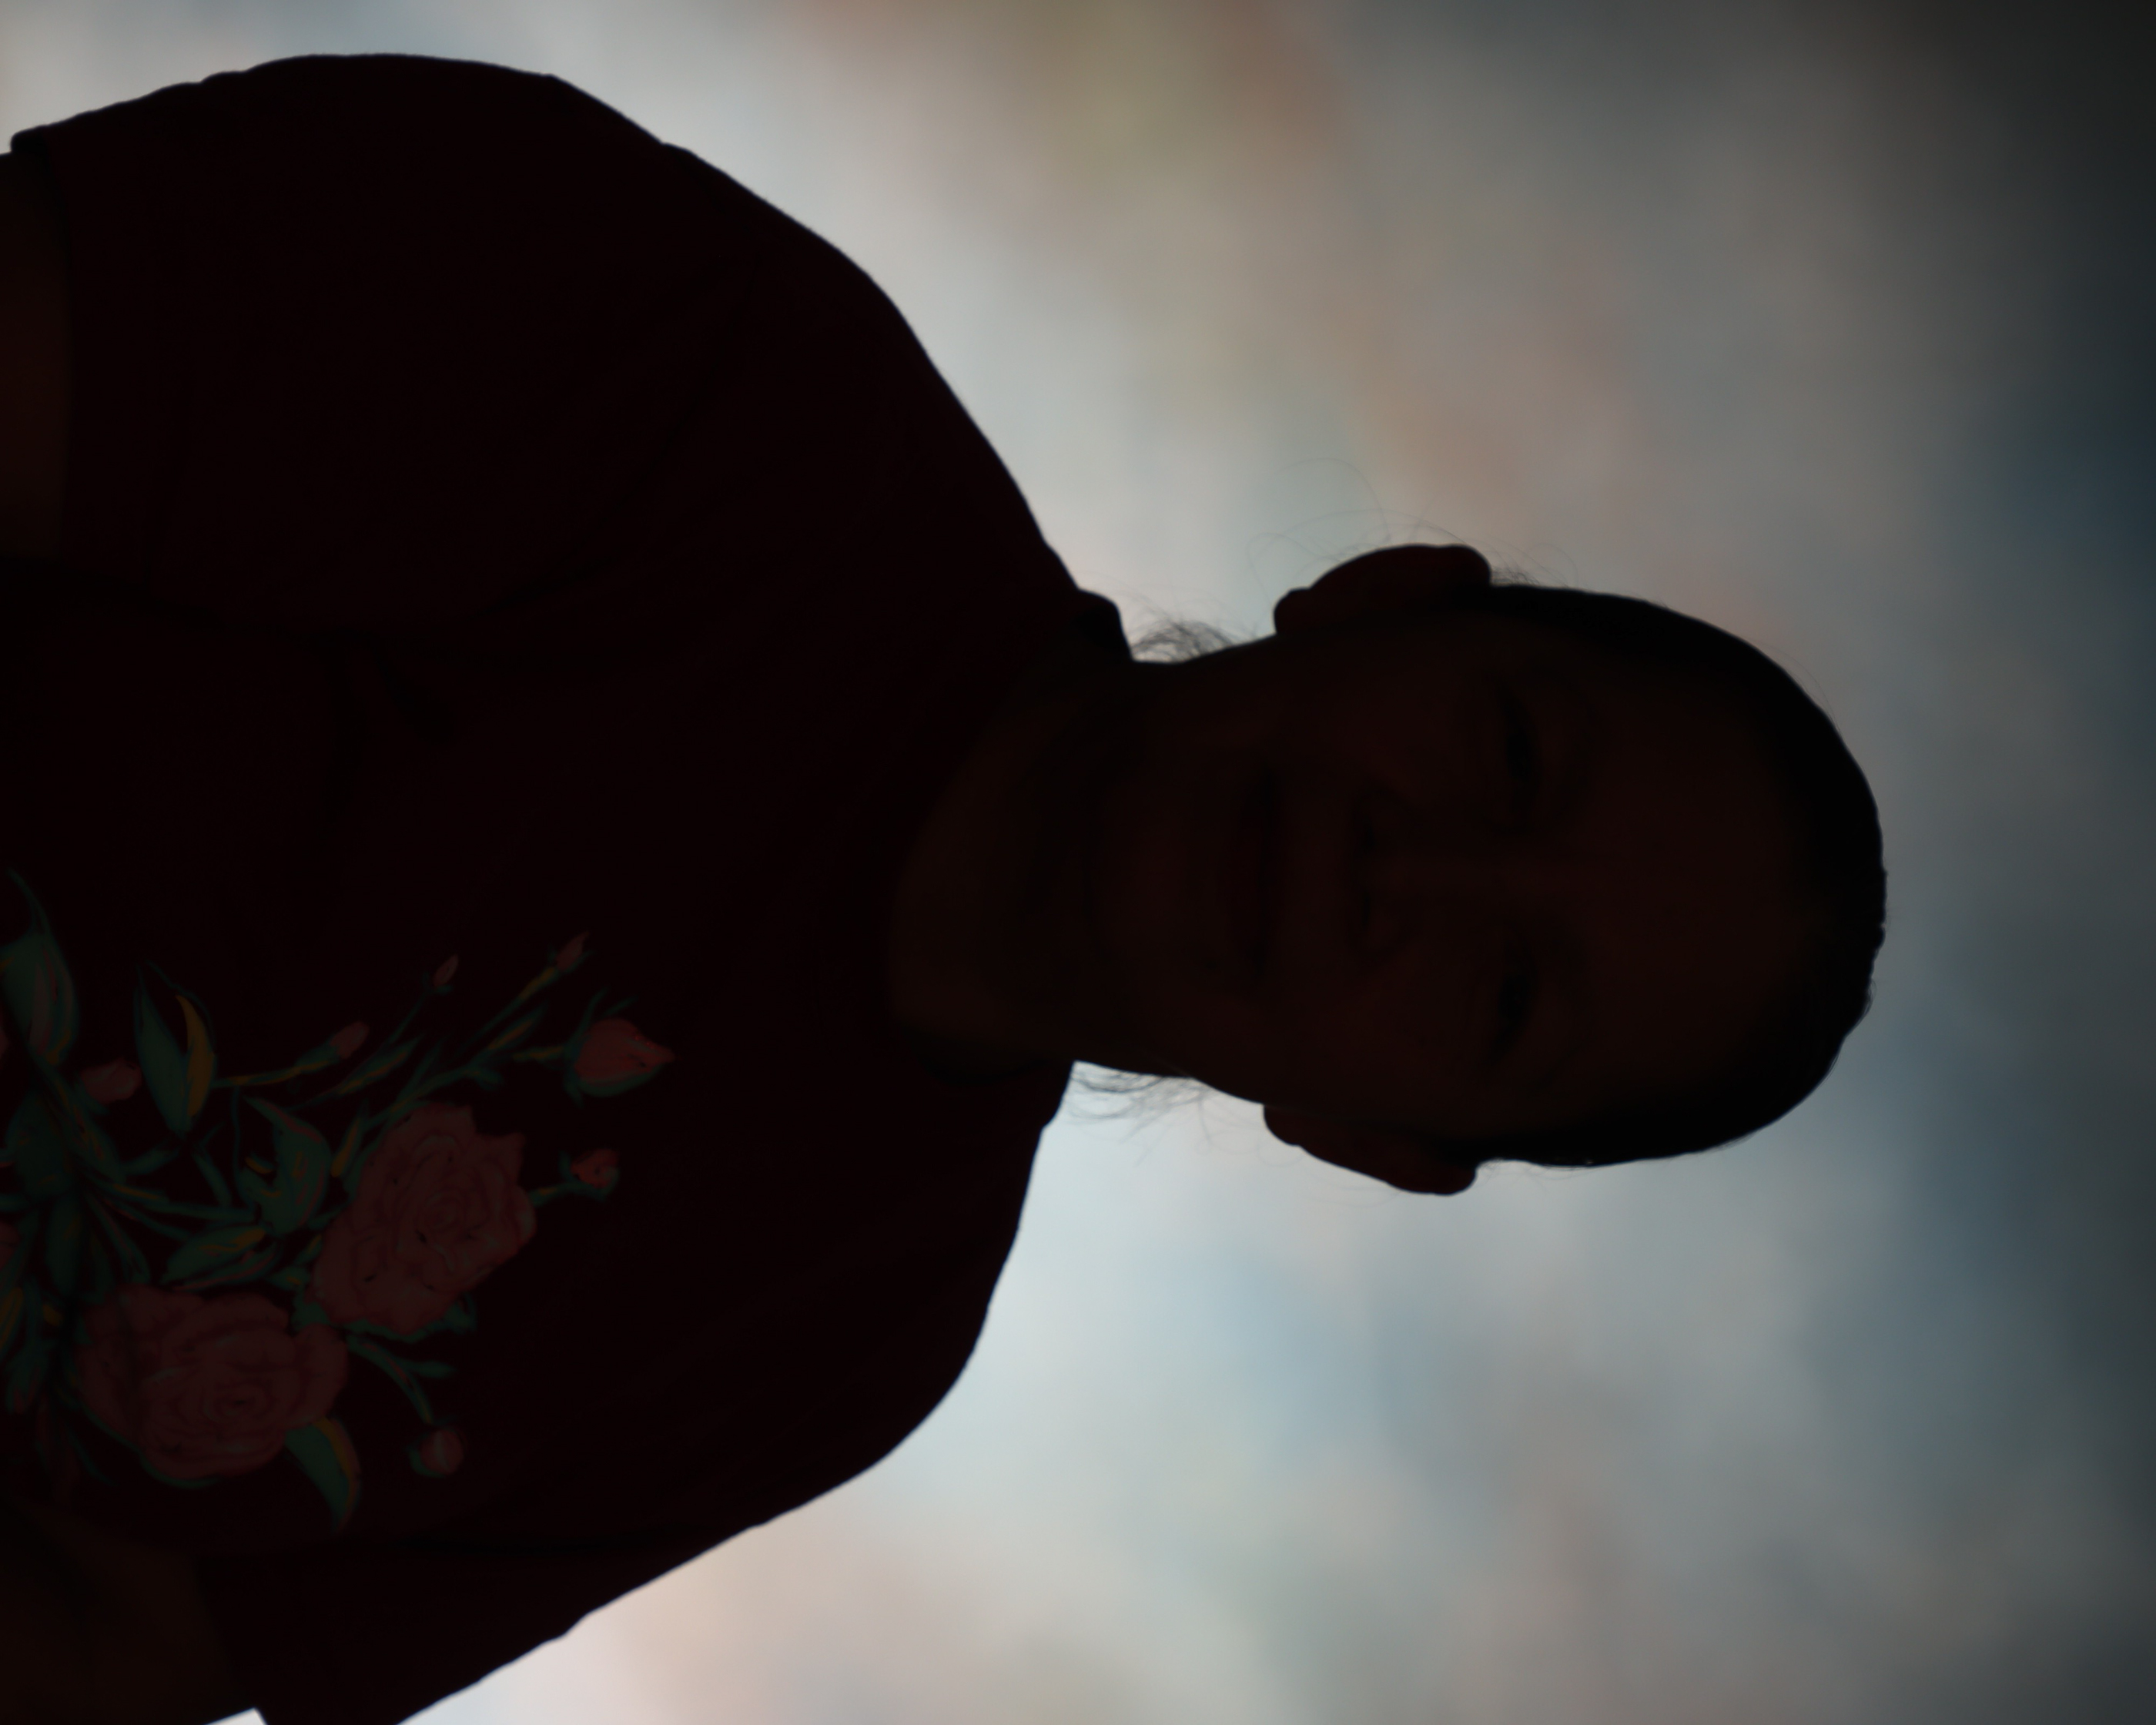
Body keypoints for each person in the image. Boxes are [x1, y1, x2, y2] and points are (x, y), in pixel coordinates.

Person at [0, 52, 1883, 1725]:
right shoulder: (688, 368)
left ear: (1376, 1137)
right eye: (1510, 753)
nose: (1413, 872)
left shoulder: (840, 1352)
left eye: (1504, 994)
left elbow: (102, 1643)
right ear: (1379, 594)